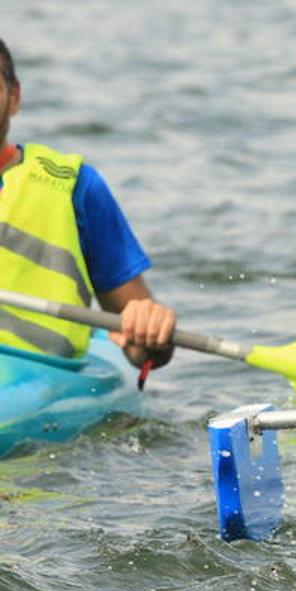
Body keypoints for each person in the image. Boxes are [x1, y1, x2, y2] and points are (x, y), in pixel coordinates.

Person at [0, 37, 175, 371]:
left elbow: (145, 355)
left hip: (41, 383)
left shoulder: (75, 187)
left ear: (14, 98)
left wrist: (149, 328)